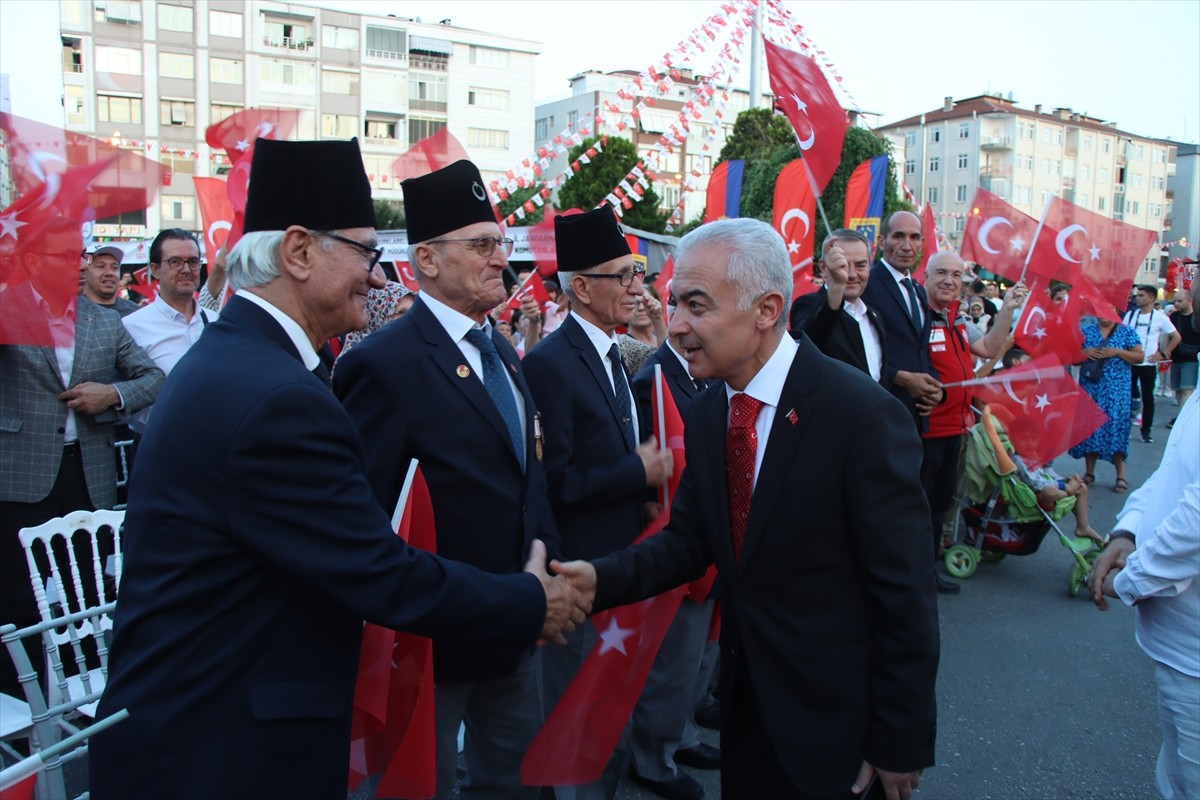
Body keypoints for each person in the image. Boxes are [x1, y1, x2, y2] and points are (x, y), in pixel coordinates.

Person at [90, 140, 587, 800]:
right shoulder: (276, 396)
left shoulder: (243, 364)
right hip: (224, 750)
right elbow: (376, 568)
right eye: (368, 256)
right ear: (299, 252)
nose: (381, 280)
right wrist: (529, 601)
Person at [554, 218, 939, 800]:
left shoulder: (860, 416)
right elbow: (688, 542)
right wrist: (594, 582)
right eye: (675, 303)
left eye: (697, 306)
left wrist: (899, 740)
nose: (676, 325)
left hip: (839, 731)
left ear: (766, 310)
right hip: (746, 712)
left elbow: (905, 594)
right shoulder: (712, 413)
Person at [334, 158, 569, 800]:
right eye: (483, 245)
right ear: (428, 260)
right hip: (428, 646)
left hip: (515, 629)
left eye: (502, 244)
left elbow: (530, 473)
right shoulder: (383, 364)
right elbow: (371, 515)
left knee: (518, 784)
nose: (502, 260)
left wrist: (543, 571)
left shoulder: (504, 353)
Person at [523, 206, 674, 800]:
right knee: (576, 717)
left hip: (621, 562)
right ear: (581, 287)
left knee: (611, 710)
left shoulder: (616, 354)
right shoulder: (550, 364)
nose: (639, 287)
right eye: (625, 276)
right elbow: (555, 482)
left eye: (639, 273)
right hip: (579, 569)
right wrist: (634, 472)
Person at [0, 219, 165, 696]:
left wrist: (111, 393)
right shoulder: (8, 310)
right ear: (31, 262)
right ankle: (21, 700)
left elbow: (152, 377)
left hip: (86, 471)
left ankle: (84, 691)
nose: (78, 266)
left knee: (85, 593)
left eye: (81, 257)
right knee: (17, 597)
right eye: (63, 257)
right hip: (21, 474)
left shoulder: (103, 319)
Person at [1089, 285, 1199, 799]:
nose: (1190, 285)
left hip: (1193, 652)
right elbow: (1173, 476)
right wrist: (1127, 530)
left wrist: (1132, 577)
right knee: (1175, 775)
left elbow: (1196, 518)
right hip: (1179, 651)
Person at [920, 252, 1025, 593]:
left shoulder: (959, 319)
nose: (950, 280)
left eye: (956, 275)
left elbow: (990, 345)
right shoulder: (917, 316)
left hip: (956, 429)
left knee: (939, 505)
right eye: (941, 273)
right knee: (918, 507)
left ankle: (928, 574)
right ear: (926, 276)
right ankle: (912, 576)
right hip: (925, 430)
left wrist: (1007, 307)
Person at [121, 229, 217, 437]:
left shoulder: (217, 323)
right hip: (161, 444)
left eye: (193, 262)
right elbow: (128, 400)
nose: (186, 269)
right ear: (155, 269)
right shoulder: (131, 327)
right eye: (175, 262)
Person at [861, 211, 942, 432]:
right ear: (881, 241)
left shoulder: (918, 290)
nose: (907, 246)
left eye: (914, 237)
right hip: (881, 411)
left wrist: (936, 389)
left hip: (917, 415)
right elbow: (854, 353)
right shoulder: (866, 285)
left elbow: (920, 349)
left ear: (921, 243)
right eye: (898, 236)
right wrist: (901, 378)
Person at [789, 228, 887, 383]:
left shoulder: (875, 316)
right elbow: (808, 348)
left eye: (861, 265)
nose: (851, 274)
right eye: (843, 266)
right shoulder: (808, 306)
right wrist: (837, 285)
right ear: (823, 267)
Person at [1068, 313, 1143, 492]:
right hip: (1091, 388)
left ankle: (1121, 475)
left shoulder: (1126, 332)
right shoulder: (1086, 332)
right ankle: (1089, 473)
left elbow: (1139, 357)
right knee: (1091, 429)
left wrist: (1117, 352)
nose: (1104, 316)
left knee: (1117, 429)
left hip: (1117, 392)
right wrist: (1083, 353)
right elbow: (1070, 357)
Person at [1123, 285, 1180, 443]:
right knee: (1128, 397)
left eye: (1141, 295)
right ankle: (1124, 428)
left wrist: (1162, 353)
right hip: (1130, 362)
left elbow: (1176, 337)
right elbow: (1121, 333)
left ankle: (1145, 431)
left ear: (1151, 298)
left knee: (1148, 398)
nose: (1137, 298)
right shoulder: (1130, 315)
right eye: (1137, 295)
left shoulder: (1160, 317)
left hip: (1148, 364)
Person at [337, 279, 413, 355]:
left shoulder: (411, 349)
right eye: (402, 312)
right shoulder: (358, 361)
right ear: (377, 315)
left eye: (413, 310)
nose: (411, 317)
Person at [1166, 289, 1198, 428]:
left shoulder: (1196, 317)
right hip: (1176, 358)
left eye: (1180, 301)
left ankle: (1182, 421)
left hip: (1191, 359)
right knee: (1178, 390)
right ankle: (1182, 415)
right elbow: (1168, 334)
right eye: (1175, 300)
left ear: (1189, 301)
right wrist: (1165, 349)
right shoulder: (1174, 316)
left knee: (1187, 389)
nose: (1176, 303)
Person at [82, 245, 140, 317]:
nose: (109, 273)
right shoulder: (73, 313)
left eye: (115, 267)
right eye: (101, 266)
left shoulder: (136, 313)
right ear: (85, 272)